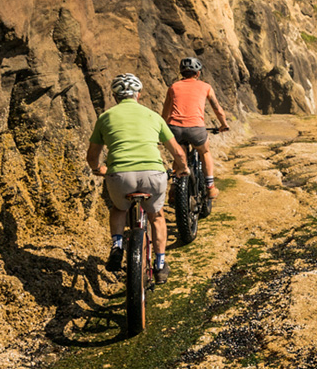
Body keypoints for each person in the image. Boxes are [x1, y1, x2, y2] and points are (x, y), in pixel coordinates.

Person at [87, 73, 189, 282]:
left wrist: (98, 168)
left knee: (118, 208)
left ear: (115, 96)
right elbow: (177, 153)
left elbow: (92, 156)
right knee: (157, 216)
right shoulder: (153, 116)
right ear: (138, 95)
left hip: (120, 176)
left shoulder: (105, 117)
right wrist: (183, 168)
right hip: (153, 175)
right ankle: (160, 265)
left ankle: (117, 245)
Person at [161, 57, 230, 200]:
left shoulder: (173, 87)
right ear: (197, 74)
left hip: (175, 129)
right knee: (204, 152)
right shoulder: (206, 87)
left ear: (181, 73)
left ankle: (174, 187)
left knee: (179, 154)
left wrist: (165, 127)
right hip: (196, 129)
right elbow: (217, 108)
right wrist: (224, 124)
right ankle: (210, 187)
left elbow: (165, 113)